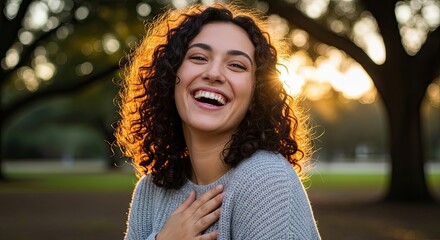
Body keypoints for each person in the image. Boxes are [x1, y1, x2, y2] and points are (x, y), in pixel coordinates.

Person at [115, 3, 320, 239]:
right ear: (172, 75)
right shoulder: (150, 190)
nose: (213, 73)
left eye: (236, 65)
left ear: (257, 93)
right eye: (199, 57)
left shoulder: (265, 179)